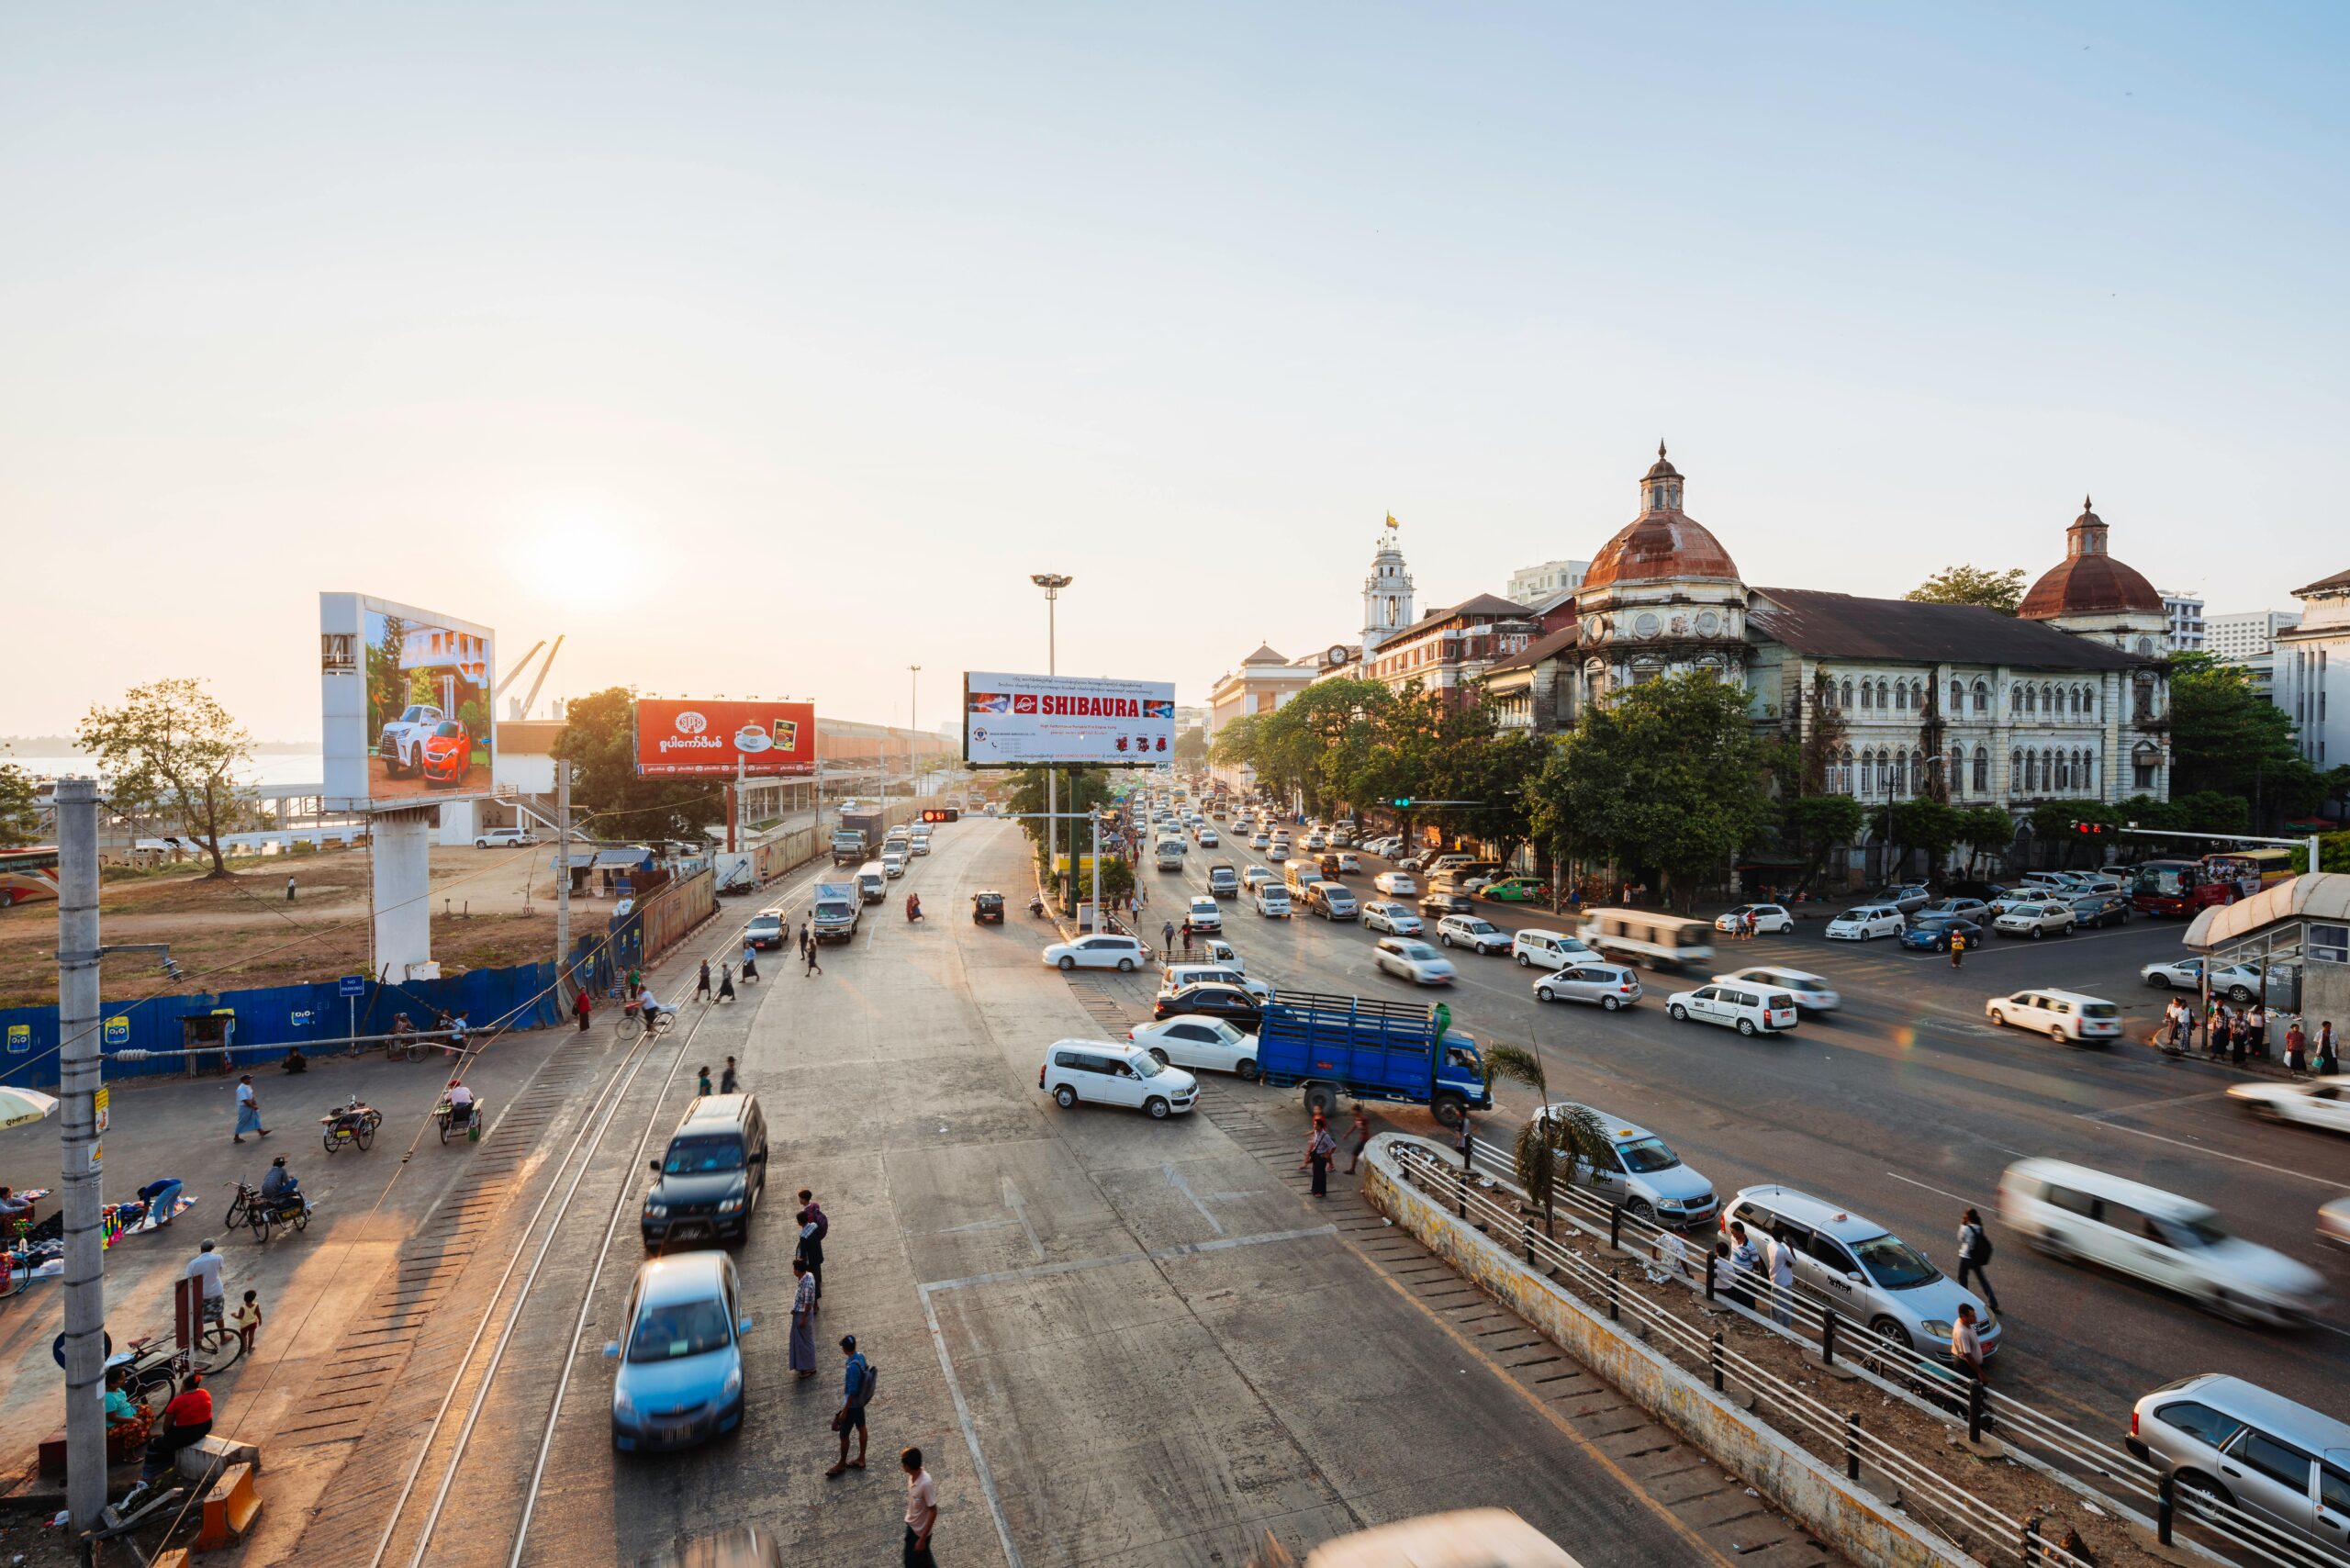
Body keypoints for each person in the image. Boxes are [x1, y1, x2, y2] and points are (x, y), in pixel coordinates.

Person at [139, 1372, 214, 1484]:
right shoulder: (205, 1393)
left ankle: (148, 1476)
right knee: (169, 1441)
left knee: (154, 1445)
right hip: (205, 1428)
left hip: (185, 1435)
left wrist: (168, 1436)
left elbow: (166, 1427)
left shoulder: (177, 1402)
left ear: (184, 1386)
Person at [828, 1335, 874, 1477]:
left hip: (853, 1405)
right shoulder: (860, 1356)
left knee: (844, 1435)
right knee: (861, 1427)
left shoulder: (852, 1367)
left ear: (845, 1349)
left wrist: (844, 1412)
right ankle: (861, 1458)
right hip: (860, 1402)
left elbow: (852, 1392)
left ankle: (842, 1464)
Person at [902, 1447, 939, 1568]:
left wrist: (922, 1539)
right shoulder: (912, 1477)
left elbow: (933, 1511)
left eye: (903, 1463)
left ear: (907, 1466)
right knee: (921, 1561)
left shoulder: (925, 1483)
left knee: (913, 1563)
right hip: (912, 1525)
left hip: (920, 1532)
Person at [1955, 1206, 1998, 1311]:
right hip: (1976, 1259)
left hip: (1966, 1258)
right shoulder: (1979, 1227)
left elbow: (1960, 1238)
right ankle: (1993, 1303)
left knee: (1962, 1279)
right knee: (1983, 1281)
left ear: (1968, 1217)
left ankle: (1965, 1302)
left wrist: (1962, 1224)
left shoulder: (1966, 1228)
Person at [789, 1259, 819, 1376]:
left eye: (794, 1269)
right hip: (800, 1313)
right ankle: (805, 1366)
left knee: (805, 1342)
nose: (793, 1271)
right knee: (802, 1341)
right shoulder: (808, 1276)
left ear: (797, 1270)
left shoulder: (807, 1284)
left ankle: (809, 1367)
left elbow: (807, 1304)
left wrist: (803, 1319)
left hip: (803, 1314)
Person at [186, 1240, 226, 1325]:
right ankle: (222, 1337)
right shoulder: (218, 1258)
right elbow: (221, 1270)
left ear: (201, 1248)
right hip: (216, 1291)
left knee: (199, 1316)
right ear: (212, 1248)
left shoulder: (192, 1264)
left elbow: (189, 1280)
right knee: (219, 1316)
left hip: (201, 1294)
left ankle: (199, 1335)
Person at [1728, 1221, 1762, 1310]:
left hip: (1744, 1276)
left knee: (1746, 1297)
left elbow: (1757, 1262)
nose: (1732, 1234)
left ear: (1739, 1232)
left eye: (1733, 1232)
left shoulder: (1750, 1247)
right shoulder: (1733, 1238)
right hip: (1733, 1273)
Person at [1951, 1303, 1986, 1386]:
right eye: (1972, 1316)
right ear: (1963, 1317)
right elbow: (1967, 1356)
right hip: (1966, 1366)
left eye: (1975, 1315)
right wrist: (1980, 1373)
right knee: (1974, 1389)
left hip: (1971, 1364)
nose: (1975, 1318)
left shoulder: (1963, 1323)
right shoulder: (1962, 1333)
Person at [1766, 1228, 1796, 1327]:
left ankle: (1774, 1327)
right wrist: (1791, 1247)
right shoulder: (1783, 1251)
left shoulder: (1770, 1246)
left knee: (1775, 1306)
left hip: (1774, 1280)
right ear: (1782, 1237)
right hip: (1784, 1284)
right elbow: (1794, 1262)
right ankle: (1785, 1330)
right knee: (1786, 1308)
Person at [1305, 1114, 1337, 1198]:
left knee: (1320, 1174)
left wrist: (1328, 1154)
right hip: (1316, 1154)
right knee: (1315, 1172)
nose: (1314, 1126)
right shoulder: (1316, 1132)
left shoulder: (1325, 1136)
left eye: (1315, 1124)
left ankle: (1321, 1191)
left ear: (1319, 1126)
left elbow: (1333, 1146)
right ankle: (1314, 1188)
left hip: (1321, 1156)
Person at [232, 1075, 267, 1143]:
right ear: (243, 1081)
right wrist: (253, 1106)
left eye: (250, 1079)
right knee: (242, 1121)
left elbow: (251, 1095)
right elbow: (244, 1100)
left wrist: (254, 1102)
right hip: (245, 1107)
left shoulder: (248, 1086)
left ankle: (261, 1131)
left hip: (250, 1105)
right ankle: (236, 1137)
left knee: (255, 1118)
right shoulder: (241, 1089)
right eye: (248, 1079)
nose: (250, 1080)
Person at [229, 1289, 263, 1357]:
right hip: (253, 1323)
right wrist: (260, 1320)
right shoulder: (256, 1305)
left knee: (243, 1336)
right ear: (253, 1298)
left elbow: (240, 1317)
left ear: (244, 1299)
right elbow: (258, 1314)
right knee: (251, 1336)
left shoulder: (243, 1307)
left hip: (244, 1325)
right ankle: (249, 1349)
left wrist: (234, 1315)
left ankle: (244, 1348)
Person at [1344, 1106, 1372, 1175]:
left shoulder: (1363, 1119)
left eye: (1353, 1111)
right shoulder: (1358, 1119)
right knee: (1356, 1154)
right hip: (1363, 1140)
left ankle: (1353, 1170)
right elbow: (1354, 1126)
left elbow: (1365, 1126)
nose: (1352, 1112)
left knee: (1355, 1154)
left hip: (1365, 1140)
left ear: (1358, 1111)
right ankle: (1352, 1170)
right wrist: (1347, 1134)